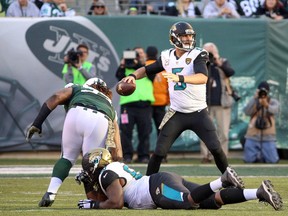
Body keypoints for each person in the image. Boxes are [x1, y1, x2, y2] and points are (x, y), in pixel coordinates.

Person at [120, 21, 229, 175]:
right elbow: (146, 69)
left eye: (189, 36)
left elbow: (202, 77)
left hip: (198, 112)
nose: (188, 39)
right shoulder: (167, 56)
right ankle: (146, 184)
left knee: (216, 149)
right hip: (177, 113)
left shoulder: (198, 54)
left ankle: (230, 178)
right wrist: (132, 75)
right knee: (158, 152)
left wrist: (180, 78)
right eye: (184, 36)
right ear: (174, 38)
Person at [76, 148, 282, 211]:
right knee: (212, 201)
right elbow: (101, 197)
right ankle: (258, 192)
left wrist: (94, 206)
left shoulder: (106, 173)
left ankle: (223, 180)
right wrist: (88, 187)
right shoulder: (112, 168)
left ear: (96, 165)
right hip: (159, 181)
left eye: (88, 170)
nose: (88, 173)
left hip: (156, 189)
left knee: (189, 202)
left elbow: (115, 202)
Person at [26, 78, 122, 207]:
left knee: (67, 157)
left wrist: (38, 122)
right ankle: (99, 200)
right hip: (101, 119)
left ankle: (51, 192)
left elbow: (56, 96)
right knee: (93, 164)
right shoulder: (110, 106)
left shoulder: (78, 88)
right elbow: (117, 144)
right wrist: (119, 167)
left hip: (76, 112)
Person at [116, 47, 154, 163]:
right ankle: (127, 155)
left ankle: (144, 155)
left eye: (140, 54)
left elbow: (152, 76)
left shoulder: (145, 68)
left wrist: (140, 64)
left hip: (144, 105)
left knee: (145, 131)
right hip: (128, 106)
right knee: (126, 131)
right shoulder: (126, 68)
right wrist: (122, 65)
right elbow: (118, 76)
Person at [200, 42, 236, 163]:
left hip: (222, 103)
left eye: (211, 51)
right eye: (207, 52)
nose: (209, 54)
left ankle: (223, 156)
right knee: (205, 130)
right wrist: (205, 61)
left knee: (223, 132)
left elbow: (230, 72)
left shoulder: (222, 61)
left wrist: (217, 60)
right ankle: (206, 156)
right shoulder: (201, 63)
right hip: (205, 103)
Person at [243, 81, 280, 163]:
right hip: (253, 134)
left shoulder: (273, 101)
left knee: (272, 160)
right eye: (260, 91)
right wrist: (254, 99)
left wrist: (266, 104)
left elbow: (275, 110)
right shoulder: (254, 101)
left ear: (268, 92)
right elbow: (246, 112)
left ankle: (263, 155)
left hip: (268, 135)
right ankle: (258, 156)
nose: (262, 93)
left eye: (264, 91)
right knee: (248, 160)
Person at [146, 46, 170, 162]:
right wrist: (168, 101)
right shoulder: (163, 68)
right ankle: (162, 155)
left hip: (147, 102)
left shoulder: (144, 65)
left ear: (146, 54)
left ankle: (144, 155)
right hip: (161, 103)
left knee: (145, 130)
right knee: (162, 131)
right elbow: (169, 86)